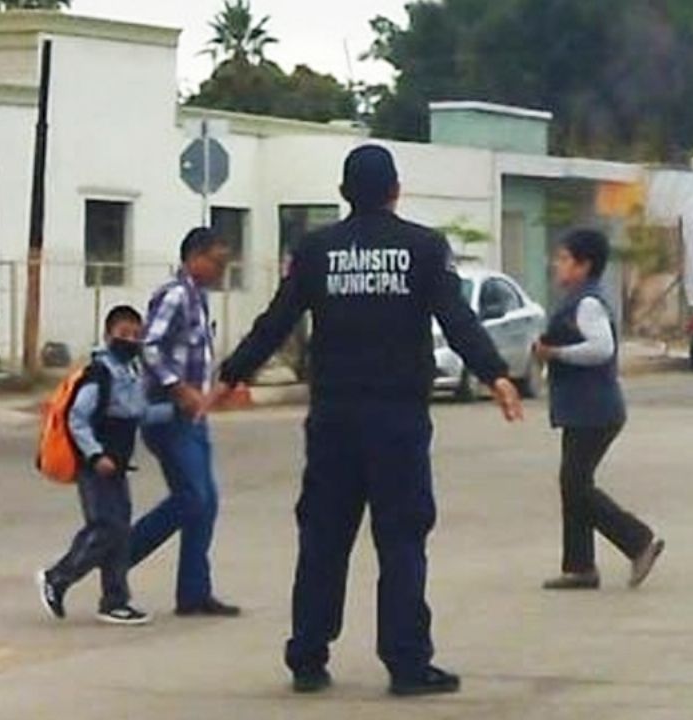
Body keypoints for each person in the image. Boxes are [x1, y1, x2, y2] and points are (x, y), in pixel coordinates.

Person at [209, 145, 525, 697]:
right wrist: (496, 374)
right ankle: (406, 663)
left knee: (323, 538)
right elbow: (457, 318)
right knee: (402, 539)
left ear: (343, 195)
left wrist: (233, 373)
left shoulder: (315, 250)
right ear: (396, 190)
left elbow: (277, 319)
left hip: (333, 419)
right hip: (398, 420)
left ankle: (307, 656)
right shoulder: (423, 248)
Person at [533, 229, 665, 591]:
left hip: (595, 410)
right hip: (581, 408)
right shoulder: (575, 300)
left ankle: (637, 541)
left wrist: (556, 354)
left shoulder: (588, 303)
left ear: (583, 265)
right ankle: (579, 566)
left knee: (575, 485)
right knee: (574, 484)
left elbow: (601, 349)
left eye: (563, 259)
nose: (556, 265)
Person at [128, 228, 241, 618]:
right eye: (217, 261)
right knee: (192, 497)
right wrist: (178, 388)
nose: (222, 269)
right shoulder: (176, 295)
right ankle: (116, 556)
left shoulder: (199, 299)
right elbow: (149, 346)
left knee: (205, 502)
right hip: (170, 414)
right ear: (195, 257)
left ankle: (194, 591)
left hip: (193, 415)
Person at [37, 305, 172, 626]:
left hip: (118, 466)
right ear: (108, 335)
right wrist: (96, 455)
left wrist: (179, 410)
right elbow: (77, 418)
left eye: (136, 335)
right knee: (105, 527)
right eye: (123, 334)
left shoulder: (130, 371)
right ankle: (58, 577)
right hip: (96, 466)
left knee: (120, 533)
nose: (130, 340)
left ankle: (115, 600)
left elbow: (136, 412)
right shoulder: (99, 373)